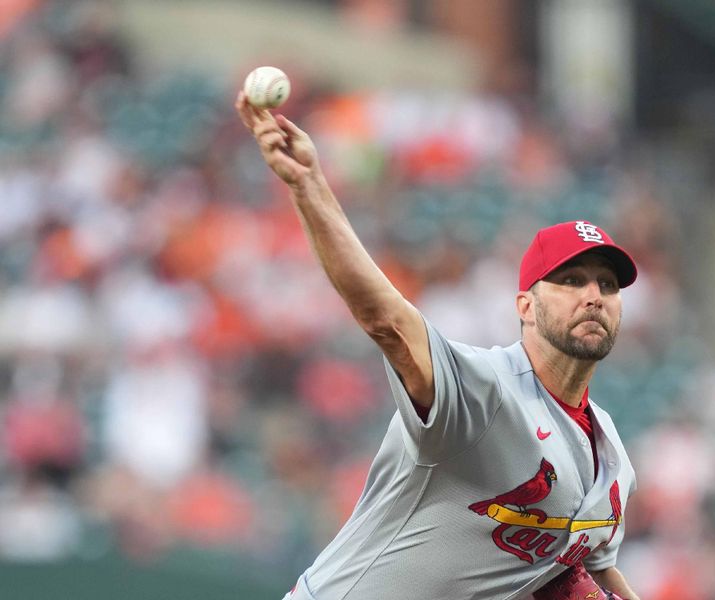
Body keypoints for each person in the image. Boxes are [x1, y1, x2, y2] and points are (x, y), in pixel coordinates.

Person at [236, 92, 641, 600]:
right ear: (526, 306)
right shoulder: (483, 391)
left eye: (607, 285)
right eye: (571, 280)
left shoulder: (612, 457)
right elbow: (385, 319)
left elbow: (588, 569)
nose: (593, 296)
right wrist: (309, 184)